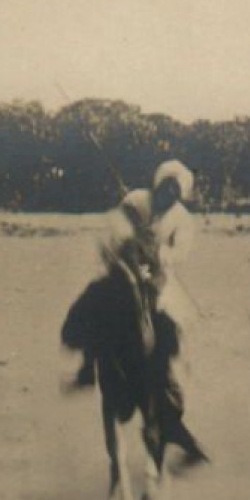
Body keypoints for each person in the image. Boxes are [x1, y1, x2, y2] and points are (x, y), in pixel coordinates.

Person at [72, 159, 206, 464]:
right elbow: (114, 233)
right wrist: (127, 244)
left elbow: (179, 253)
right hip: (124, 267)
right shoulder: (135, 201)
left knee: (169, 324)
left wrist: (157, 255)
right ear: (157, 184)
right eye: (165, 187)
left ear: (180, 194)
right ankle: (85, 365)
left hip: (157, 279)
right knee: (93, 304)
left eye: (175, 190)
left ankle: (169, 387)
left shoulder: (182, 220)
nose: (168, 194)